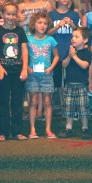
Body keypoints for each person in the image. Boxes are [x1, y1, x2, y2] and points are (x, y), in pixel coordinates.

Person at [0, 2, 29, 141]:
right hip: (4, 71)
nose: (11, 17)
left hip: (17, 71)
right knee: (3, 102)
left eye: (14, 14)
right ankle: (2, 132)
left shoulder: (20, 31)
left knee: (17, 102)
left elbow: (24, 51)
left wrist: (24, 68)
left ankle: (17, 131)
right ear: (2, 14)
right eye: (8, 14)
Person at [26, 11, 59, 139]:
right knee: (33, 101)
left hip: (46, 74)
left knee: (47, 101)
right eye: (39, 22)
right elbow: (24, 56)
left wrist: (51, 67)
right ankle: (32, 129)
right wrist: (27, 68)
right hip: (33, 74)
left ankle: (48, 129)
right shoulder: (28, 39)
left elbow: (56, 56)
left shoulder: (50, 39)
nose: (42, 25)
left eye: (45, 23)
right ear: (33, 24)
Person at [48, 0, 81, 113]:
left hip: (70, 53)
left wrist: (72, 25)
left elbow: (80, 33)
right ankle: (57, 107)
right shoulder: (51, 14)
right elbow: (47, 33)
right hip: (56, 53)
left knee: (69, 81)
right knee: (56, 83)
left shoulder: (74, 14)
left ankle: (70, 108)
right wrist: (58, 26)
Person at [58, 27, 92, 139]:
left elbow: (84, 65)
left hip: (81, 85)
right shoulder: (70, 52)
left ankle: (85, 128)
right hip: (69, 84)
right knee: (69, 107)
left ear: (85, 40)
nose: (73, 39)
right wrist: (69, 55)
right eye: (72, 36)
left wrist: (74, 56)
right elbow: (63, 65)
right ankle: (68, 128)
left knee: (83, 108)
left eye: (77, 37)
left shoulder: (86, 52)